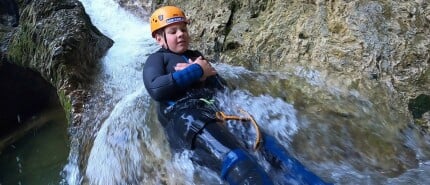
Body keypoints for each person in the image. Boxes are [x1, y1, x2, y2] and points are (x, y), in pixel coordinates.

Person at [143, 5, 331, 185]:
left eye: (183, 29)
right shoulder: (156, 59)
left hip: (215, 114)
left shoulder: (196, 56)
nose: (181, 34)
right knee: (239, 161)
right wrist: (196, 72)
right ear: (159, 39)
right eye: (173, 31)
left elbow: (221, 87)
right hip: (188, 121)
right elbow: (156, 89)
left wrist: (202, 75)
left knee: (274, 152)